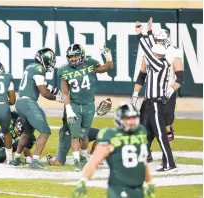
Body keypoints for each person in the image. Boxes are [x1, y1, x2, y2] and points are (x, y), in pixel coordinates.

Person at [72, 102, 155, 198]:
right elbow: (94, 162)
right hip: (118, 189)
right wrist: (83, 182)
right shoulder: (110, 136)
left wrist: (149, 183)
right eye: (128, 118)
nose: (132, 121)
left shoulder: (140, 133)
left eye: (134, 117)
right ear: (119, 119)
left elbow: (142, 162)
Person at [132, 18, 185, 162]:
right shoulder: (151, 53)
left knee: (166, 126)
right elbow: (142, 75)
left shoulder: (173, 53)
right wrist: (136, 93)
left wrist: (170, 91)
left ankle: (166, 157)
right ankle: (146, 153)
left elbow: (180, 77)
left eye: (161, 40)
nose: (159, 42)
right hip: (151, 95)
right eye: (157, 40)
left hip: (166, 94)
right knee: (144, 125)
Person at [58, 44, 113, 171]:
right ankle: (76, 161)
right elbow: (65, 92)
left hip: (89, 105)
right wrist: (68, 108)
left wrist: (108, 56)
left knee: (84, 135)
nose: (72, 59)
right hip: (75, 105)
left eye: (75, 56)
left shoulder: (90, 64)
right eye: (70, 56)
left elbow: (109, 67)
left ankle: (83, 157)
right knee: (75, 135)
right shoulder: (64, 70)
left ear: (81, 55)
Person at [10, 47, 62, 169]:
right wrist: (59, 98)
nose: (51, 63)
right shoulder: (39, 69)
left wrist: (57, 91)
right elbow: (44, 92)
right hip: (29, 102)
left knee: (27, 131)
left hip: (21, 102)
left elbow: (43, 84)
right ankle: (35, 161)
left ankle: (17, 158)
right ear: (45, 59)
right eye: (50, 60)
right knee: (45, 131)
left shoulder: (31, 67)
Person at [47, 98, 112, 167]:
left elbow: (88, 115)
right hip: (69, 131)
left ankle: (91, 157)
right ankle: (51, 159)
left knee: (104, 135)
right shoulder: (70, 98)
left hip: (82, 130)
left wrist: (98, 112)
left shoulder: (86, 99)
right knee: (58, 163)